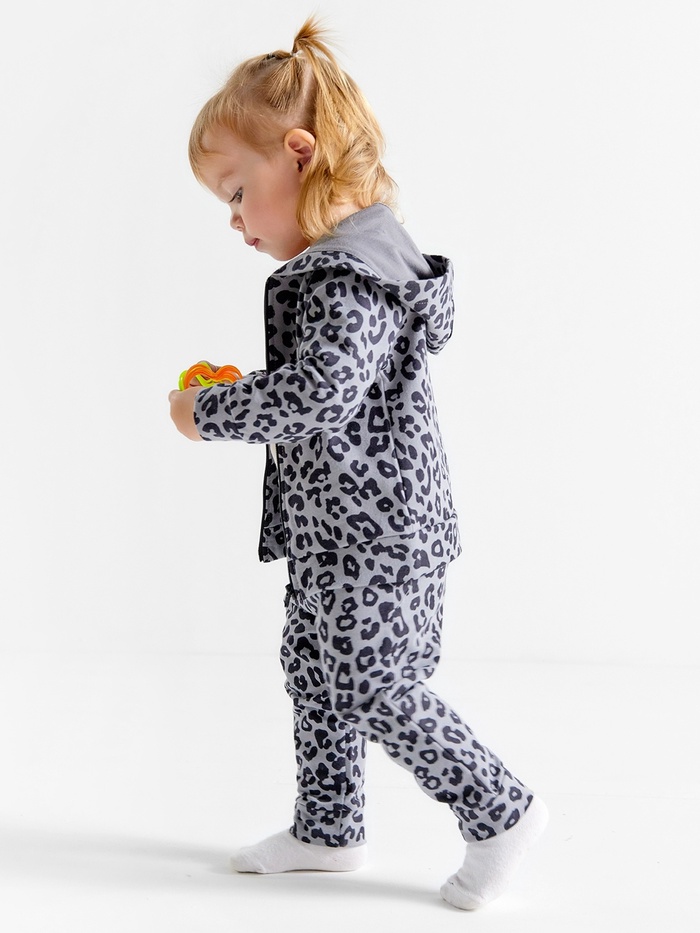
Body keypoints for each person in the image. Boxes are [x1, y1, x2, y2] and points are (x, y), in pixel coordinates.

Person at [169, 15, 548, 910]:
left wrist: (208, 412)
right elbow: (327, 389)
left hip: (377, 533)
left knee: (374, 681)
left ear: (299, 154)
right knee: (315, 668)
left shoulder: (348, 277)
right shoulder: (354, 267)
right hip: (339, 527)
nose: (235, 221)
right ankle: (327, 827)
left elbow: (320, 394)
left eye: (237, 191)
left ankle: (499, 808)